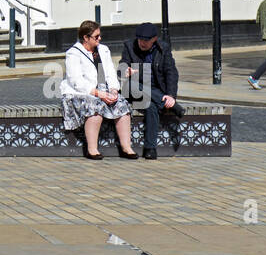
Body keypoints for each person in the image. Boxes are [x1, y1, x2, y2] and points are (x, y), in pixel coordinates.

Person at [60, 19, 138, 160]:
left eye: (100, 35)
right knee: (95, 107)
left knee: (122, 105)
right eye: (96, 37)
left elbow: (110, 73)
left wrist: (114, 90)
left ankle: (126, 147)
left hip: (102, 89)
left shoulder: (103, 50)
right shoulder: (73, 53)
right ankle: (92, 149)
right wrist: (98, 93)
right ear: (86, 38)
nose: (100, 39)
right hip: (80, 92)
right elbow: (75, 81)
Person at [119, 22, 179, 160]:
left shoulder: (163, 48)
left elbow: (171, 72)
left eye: (146, 40)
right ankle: (162, 101)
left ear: (154, 39)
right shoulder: (129, 46)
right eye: (140, 39)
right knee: (137, 87)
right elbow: (122, 65)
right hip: (133, 89)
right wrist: (125, 70)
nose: (142, 43)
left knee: (151, 107)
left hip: (153, 92)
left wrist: (170, 96)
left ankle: (150, 148)